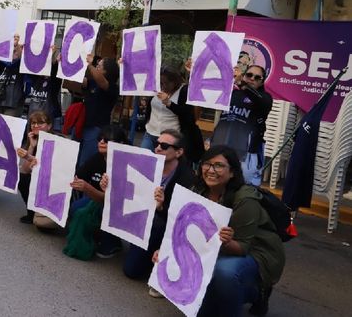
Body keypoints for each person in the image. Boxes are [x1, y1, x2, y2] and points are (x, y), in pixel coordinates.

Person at [153, 145, 285, 316]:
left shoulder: (245, 199)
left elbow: (242, 247)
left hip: (256, 250)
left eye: (219, 165)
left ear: (232, 172)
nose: (211, 170)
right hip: (218, 246)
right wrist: (165, 251)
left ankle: (256, 293)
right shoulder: (197, 190)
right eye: (206, 164)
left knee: (224, 271)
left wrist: (227, 242)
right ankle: (229, 294)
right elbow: (181, 230)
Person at [117, 129, 195, 295]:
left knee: (131, 271)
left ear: (179, 152)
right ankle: (113, 244)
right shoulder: (147, 164)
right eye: (156, 144)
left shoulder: (187, 179)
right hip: (142, 217)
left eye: (164, 145)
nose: (158, 148)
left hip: (163, 226)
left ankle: (164, 266)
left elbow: (183, 221)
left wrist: (162, 207)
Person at [64, 125, 127, 260]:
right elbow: (78, 175)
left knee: (88, 210)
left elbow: (111, 200)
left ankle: (112, 241)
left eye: (107, 140)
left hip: (117, 206)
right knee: (76, 207)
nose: (101, 142)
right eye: (100, 139)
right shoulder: (97, 157)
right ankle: (94, 235)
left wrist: (87, 188)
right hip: (95, 199)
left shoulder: (123, 164)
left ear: (120, 143)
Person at [211, 64, 273, 185]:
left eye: (257, 77)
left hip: (245, 155)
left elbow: (260, 100)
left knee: (240, 190)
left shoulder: (265, 98)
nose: (252, 79)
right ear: (244, 76)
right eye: (249, 75)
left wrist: (242, 84)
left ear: (262, 82)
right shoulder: (231, 94)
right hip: (221, 150)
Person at [140, 65, 204, 164]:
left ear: (174, 82)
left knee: (164, 165)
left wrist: (169, 103)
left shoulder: (183, 91)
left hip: (170, 137)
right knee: (143, 161)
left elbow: (187, 115)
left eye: (165, 83)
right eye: (160, 83)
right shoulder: (156, 89)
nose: (162, 86)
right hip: (150, 132)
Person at [77, 55, 120, 168]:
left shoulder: (112, 87)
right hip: (81, 126)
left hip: (96, 129)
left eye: (99, 66)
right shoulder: (92, 82)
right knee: (74, 158)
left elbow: (102, 82)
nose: (97, 67)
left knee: (84, 162)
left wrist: (90, 65)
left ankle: (80, 183)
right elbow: (79, 81)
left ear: (107, 71)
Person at [16, 110, 54, 224]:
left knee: (43, 225)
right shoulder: (34, 139)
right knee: (22, 178)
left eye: (40, 123)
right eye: (33, 123)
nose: (36, 126)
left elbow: (50, 167)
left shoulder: (57, 141)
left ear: (49, 126)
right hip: (37, 177)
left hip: (51, 181)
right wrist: (32, 147)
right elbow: (25, 170)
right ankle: (31, 212)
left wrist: (31, 158)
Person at [0, 34, 25, 117]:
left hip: (13, 104)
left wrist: (17, 46)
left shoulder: (21, 64)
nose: (13, 52)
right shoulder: (2, 64)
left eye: (15, 50)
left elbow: (22, 58)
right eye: (11, 50)